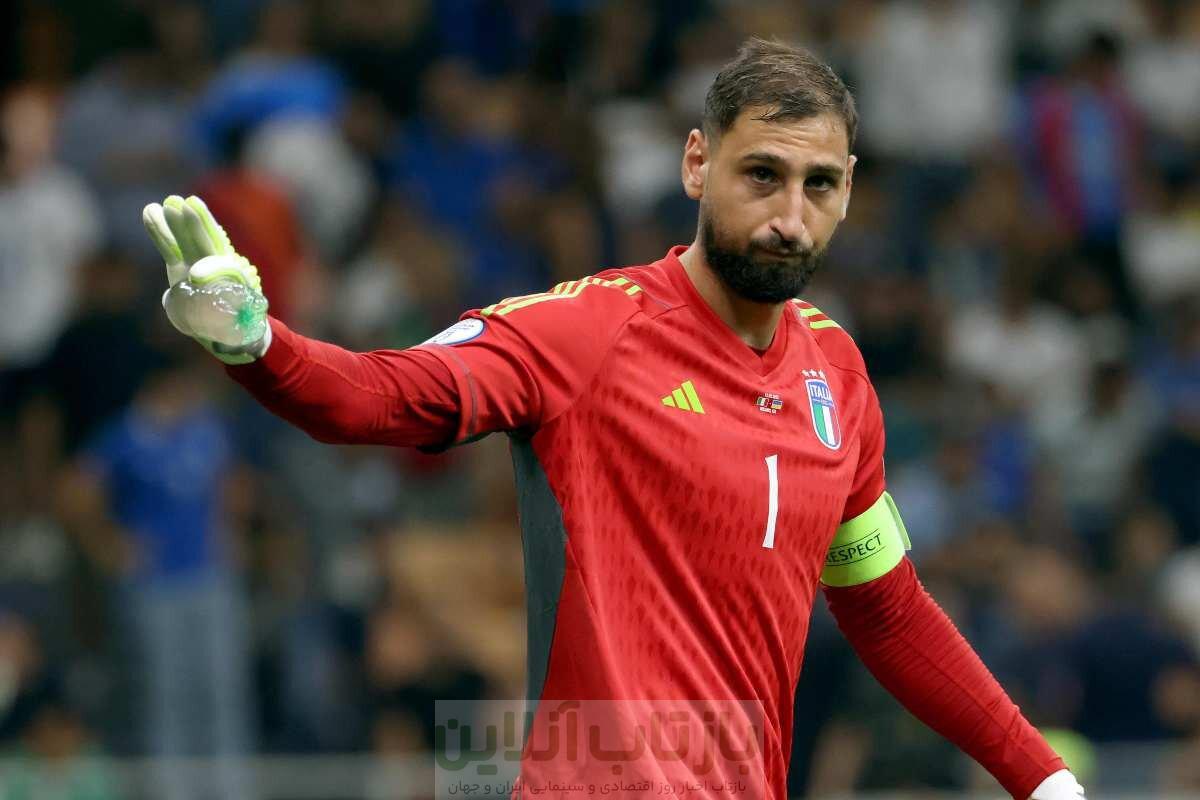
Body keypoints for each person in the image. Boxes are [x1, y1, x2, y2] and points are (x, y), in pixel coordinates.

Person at [141, 38, 1085, 800]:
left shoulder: (836, 374)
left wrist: (1042, 778)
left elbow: (887, 609)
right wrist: (256, 343)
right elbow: (379, 396)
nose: (790, 217)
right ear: (696, 162)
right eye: (762, 175)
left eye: (820, 185)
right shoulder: (586, 332)